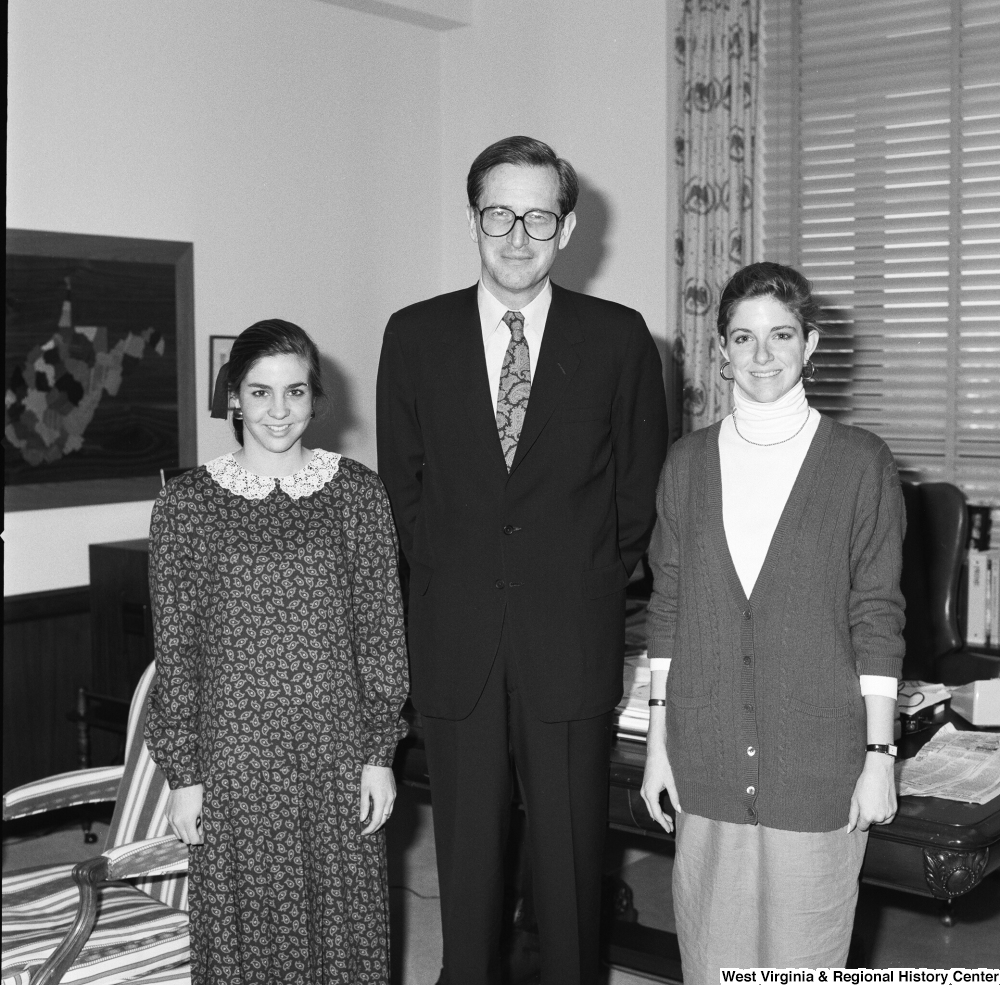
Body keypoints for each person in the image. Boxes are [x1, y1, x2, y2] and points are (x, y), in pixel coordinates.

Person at [376, 135, 669, 985]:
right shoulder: (416, 333)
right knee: (466, 875)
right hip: (456, 640)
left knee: (573, 866)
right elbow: (403, 488)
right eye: (498, 213)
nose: (517, 234)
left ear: (567, 227)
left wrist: (574, 579)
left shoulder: (618, 340)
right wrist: (458, 577)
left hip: (568, 637)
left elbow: (636, 498)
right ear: (475, 219)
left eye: (538, 215)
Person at [640, 262, 904, 980]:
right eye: (743, 337)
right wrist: (658, 746)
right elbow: (668, 611)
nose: (762, 354)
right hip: (708, 756)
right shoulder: (686, 464)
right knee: (713, 963)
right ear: (720, 349)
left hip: (818, 763)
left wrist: (880, 757)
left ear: (811, 343)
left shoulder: (860, 463)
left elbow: (877, 616)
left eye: (780, 334)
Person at [145, 319, 409, 985]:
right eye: (260, 392)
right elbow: (174, 646)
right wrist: (184, 773)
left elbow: (381, 631)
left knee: (344, 925)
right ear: (233, 396)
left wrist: (379, 754)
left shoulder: (358, 492)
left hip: (335, 748)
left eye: (295, 392)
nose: (278, 410)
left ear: (316, 398)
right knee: (246, 927)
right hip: (233, 757)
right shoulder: (186, 503)